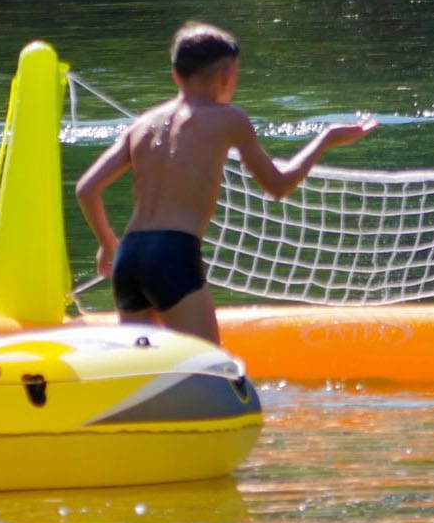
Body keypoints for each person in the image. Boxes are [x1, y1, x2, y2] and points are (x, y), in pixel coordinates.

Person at [76, 21, 376, 343]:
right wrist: (324, 140)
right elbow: (278, 185)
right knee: (210, 367)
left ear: (176, 74)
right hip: (172, 254)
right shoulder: (229, 118)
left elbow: (86, 188)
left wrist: (109, 245)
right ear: (227, 74)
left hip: (130, 257)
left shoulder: (143, 124)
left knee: (144, 372)